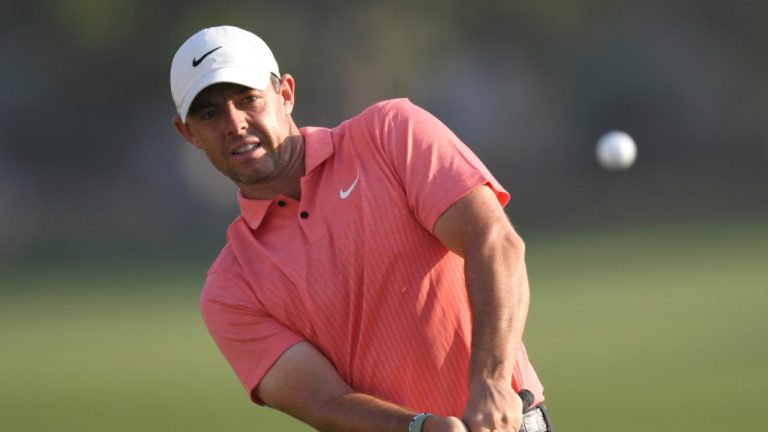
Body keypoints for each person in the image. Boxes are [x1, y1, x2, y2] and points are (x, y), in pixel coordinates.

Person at [170, 25, 553, 432]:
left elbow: (493, 242)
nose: (235, 123)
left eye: (248, 99)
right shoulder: (230, 288)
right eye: (209, 113)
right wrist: (420, 428)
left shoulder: (389, 134)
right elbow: (322, 399)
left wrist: (491, 382)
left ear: (285, 94)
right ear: (188, 133)